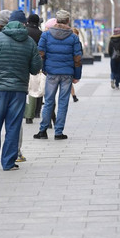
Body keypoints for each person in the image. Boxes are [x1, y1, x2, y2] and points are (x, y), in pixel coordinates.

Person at [0, 10, 42, 171]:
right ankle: (8, 162)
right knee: (13, 126)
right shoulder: (29, 42)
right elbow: (36, 68)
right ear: (24, 24)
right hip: (19, 90)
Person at [34, 9, 82, 140]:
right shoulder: (73, 37)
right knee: (63, 102)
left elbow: (40, 54)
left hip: (52, 73)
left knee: (49, 101)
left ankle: (43, 131)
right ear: (68, 21)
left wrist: (43, 69)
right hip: (67, 73)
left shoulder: (46, 35)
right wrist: (77, 75)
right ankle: (58, 132)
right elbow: (77, 57)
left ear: (56, 20)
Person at [24, 13, 43, 125]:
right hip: (38, 63)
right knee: (38, 86)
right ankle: (37, 111)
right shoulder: (41, 33)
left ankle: (27, 112)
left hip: (25, 62)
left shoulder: (25, 31)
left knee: (28, 88)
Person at [70, 27, 82, 102]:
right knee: (68, 82)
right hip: (69, 64)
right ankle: (73, 95)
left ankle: (73, 95)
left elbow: (79, 57)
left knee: (68, 82)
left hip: (73, 65)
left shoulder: (78, 43)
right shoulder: (69, 42)